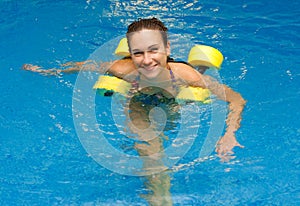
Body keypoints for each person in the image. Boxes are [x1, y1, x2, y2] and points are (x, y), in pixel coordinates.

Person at [23, 17, 245, 161]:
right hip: (138, 95)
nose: (146, 60)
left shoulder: (186, 76)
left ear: (167, 48)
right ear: (130, 53)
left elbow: (236, 99)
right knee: (146, 141)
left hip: (173, 96)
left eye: (153, 50)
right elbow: (85, 66)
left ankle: (202, 64)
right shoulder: (123, 68)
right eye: (138, 53)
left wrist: (229, 134)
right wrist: (48, 71)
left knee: (170, 125)